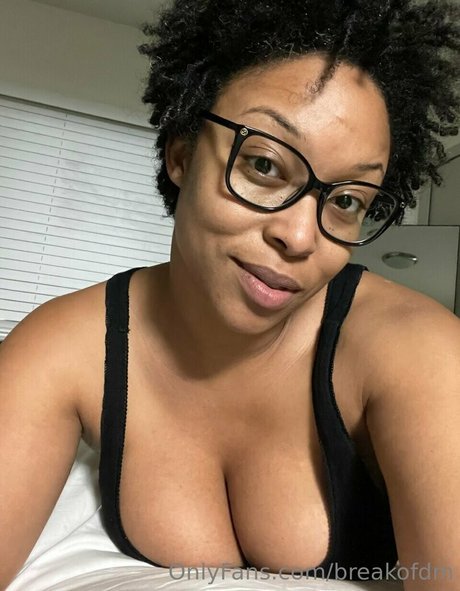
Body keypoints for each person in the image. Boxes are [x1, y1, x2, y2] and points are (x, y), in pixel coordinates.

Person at [1, 0, 459, 589]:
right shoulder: (66, 347)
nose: (300, 236)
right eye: (265, 165)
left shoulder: (418, 352)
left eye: (346, 200)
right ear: (182, 155)